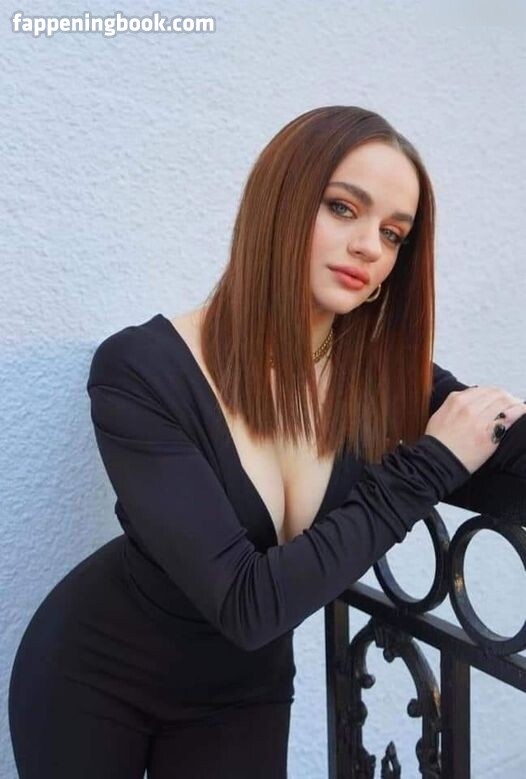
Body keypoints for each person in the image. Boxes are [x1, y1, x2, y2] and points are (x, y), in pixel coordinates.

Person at [8, 105, 526, 779]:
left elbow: (506, 455)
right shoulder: (141, 370)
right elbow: (246, 602)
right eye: (343, 208)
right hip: (97, 678)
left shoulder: (380, 379)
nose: (370, 247)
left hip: (244, 690)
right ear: (278, 204)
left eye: (393, 233)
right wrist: (428, 465)